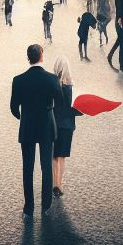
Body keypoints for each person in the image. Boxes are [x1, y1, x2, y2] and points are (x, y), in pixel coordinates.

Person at [10, 43, 61, 219]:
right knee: (46, 167)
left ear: (28, 58)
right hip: (47, 127)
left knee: (28, 168)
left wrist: (25, 117)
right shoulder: (52, 79)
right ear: (41, 57)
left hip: (28, 127)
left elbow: (14, 108)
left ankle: (28, 207)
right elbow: (60, 100)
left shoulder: (18, 80)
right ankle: (46, 205)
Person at [50, 55, 80, 198]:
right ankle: (60, 184)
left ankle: (54, 182)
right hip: (67, 126)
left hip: (53, 125)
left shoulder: (52, 86)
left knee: (54, 156)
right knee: (62, 157)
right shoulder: (71, 88)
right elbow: (76, 109)